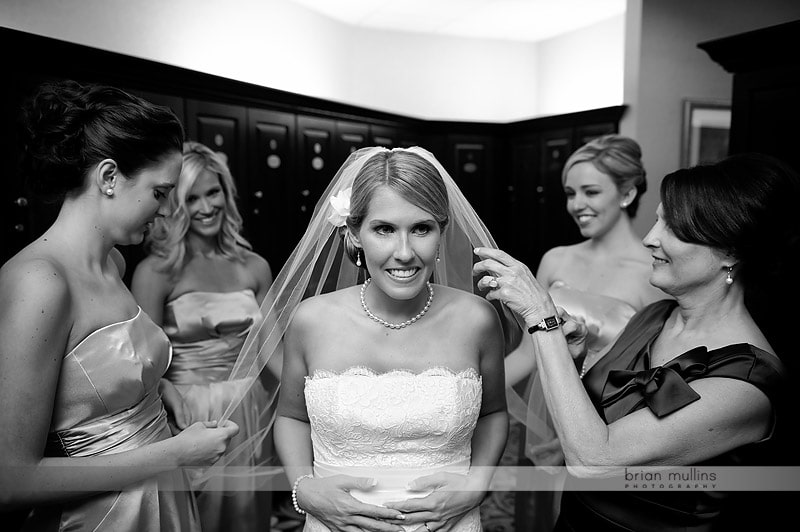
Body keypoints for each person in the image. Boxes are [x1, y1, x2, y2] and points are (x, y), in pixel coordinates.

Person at [474, 152, 796, 530]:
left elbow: (595, 460)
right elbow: (590, 418)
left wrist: (540, 318)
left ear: (731, 252)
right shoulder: (653, 318)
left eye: (673, 227)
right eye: (657, 220)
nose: (649, 238)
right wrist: (573, 356)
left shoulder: (747, 383)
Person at [0, 80, 239, 531]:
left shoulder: (113, 260)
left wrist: (157, 392)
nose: (167, 211)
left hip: (161, 500)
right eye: (160, 192)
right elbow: (10, 479)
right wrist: (176, 452)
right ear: (109, 177)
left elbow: (99, 374)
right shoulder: (40, 282)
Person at [265, 146, 511, 532]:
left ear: (441, 232)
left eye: (421, 229)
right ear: (354, 233)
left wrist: (477, 485)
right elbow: (292, 417)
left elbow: (494, 414)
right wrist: (304, 487)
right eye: (384, 229)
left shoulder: (476, 318)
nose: (405, 252)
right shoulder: (311, 319)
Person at [503, 135, 667, 530]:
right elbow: (529, 352)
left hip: (610, 422)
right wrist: (466, 390)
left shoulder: (657, 269)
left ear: (627, 193)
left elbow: (656, 372)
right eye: (570, 192)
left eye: (591, 191)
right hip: (547, 417)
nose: (577, 204)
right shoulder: (556, 259)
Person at [132, 140, 275, 532]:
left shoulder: (254, 266)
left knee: (249, 519)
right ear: (174, 206)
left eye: (213, 192)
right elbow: (141, 362)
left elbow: (274, 352)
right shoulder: (155, 272)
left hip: (250, 409)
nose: (206, 207)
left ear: (227, 193)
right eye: (191, 198)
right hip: (188, 413)